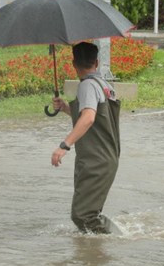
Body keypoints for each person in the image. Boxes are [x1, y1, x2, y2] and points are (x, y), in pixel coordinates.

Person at [50, 42, 121, 234]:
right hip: (107, 157)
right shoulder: (104, 85)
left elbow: (89, 117)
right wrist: (66, 108)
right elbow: (96, 118)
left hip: (95, 160)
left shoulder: (87, 86)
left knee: (82, 215)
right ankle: (102, 246)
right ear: (96, 62)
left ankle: (118, 240)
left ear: (74, 64)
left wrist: (64, 145)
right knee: (90, 213)